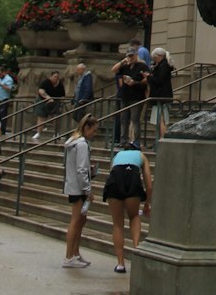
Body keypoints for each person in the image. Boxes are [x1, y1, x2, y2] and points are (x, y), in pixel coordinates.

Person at [102, 140, 152, 274]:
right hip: (132, 180)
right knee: (134, 216)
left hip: (115, 181)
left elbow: (111, 173)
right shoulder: (141, 156)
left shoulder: (117, 156)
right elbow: (149, 184)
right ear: (138, 149)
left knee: (117, 224)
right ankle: (136, 249)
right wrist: (147, 203)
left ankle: (120, 264)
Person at [62, 113, 99, 268]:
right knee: (76, 221)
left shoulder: (73, 142)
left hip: (73, 184)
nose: (95, 134)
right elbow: (81, 169)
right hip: (78, 187)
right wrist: (87, 189)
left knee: (80, 220)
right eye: (94, 130)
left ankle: (75, 253)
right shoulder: (82, 144)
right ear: (87, 128)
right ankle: (69, 256)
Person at [111, 47, 149, 146]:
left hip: (137, 96)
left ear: (136, 55)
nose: (130, 58)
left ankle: (136, 141)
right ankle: (123, 140)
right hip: (125, 96)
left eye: (132, 56)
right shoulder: (125, 67)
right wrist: (123, 61)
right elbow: (114, 70)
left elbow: (147, 79)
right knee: (124, 119)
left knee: (135, 119)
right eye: (129, 56)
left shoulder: (142, 66)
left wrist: (135, 82)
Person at [147, 48, 174, 139]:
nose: (154, 60)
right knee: (158, 120)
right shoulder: (162, 65)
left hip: (161, 96)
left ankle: (162, 138)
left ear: (160, 56)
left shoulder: (164, 66)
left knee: (161, 119)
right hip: (160, 95)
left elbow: (160, 80)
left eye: (155, 58)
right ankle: (159, 139)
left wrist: (149, 78)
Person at [33, 70, 66, 142]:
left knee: (55, 117)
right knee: (41, 117)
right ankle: (38, 133)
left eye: (57, 77)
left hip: (55, 102)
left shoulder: (60, 85)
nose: (56, 78)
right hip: (43, 101)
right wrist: (47, 97)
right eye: (54, 76)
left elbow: (62, 95)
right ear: (51, 77)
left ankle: (56, 133)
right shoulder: (46, 82)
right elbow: (41, 91)